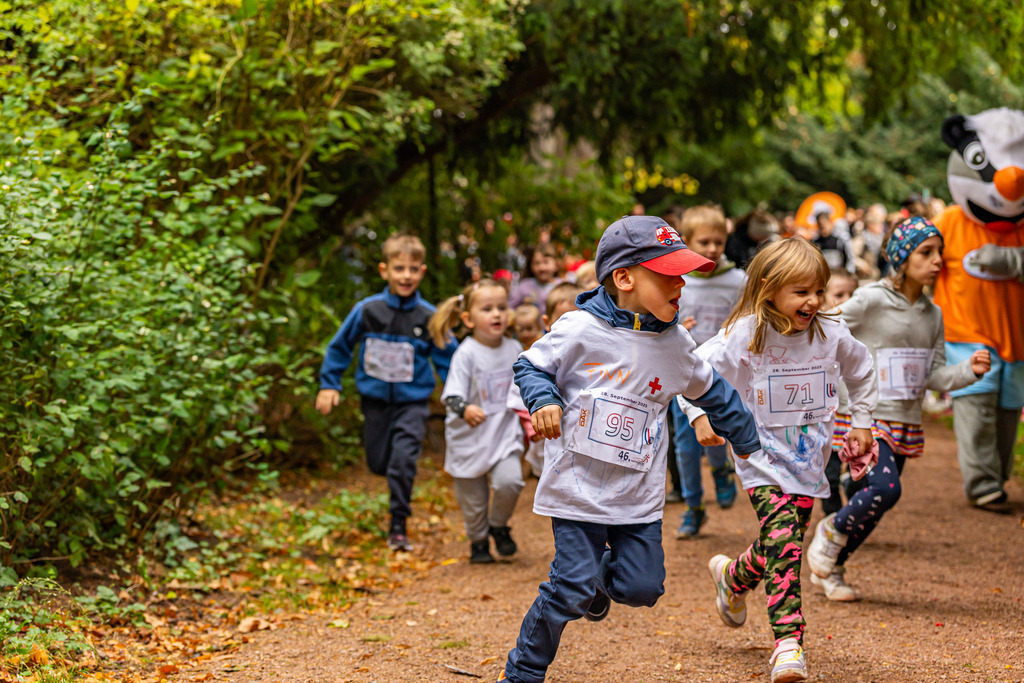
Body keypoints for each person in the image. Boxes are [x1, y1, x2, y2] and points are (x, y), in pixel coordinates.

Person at [497, 215, 760, 683]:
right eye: (668, 274)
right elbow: (530, 366)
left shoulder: (677, 343)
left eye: (683, 274)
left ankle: (599, 575)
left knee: (642, 588)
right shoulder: (578, 329)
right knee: (568, 588)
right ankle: (522, 672)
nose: (681, 284)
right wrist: (545, 401)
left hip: (636, 498)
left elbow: (713, 392)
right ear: (624, 278)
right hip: (578, 490)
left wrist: (749, 442)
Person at [677, 238, 876, 683]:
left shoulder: (830, 331)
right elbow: (692, 371)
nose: (814, 301)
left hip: (808, 461)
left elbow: (862, 369)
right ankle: (789, 645)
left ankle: (733, 577)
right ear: (770, 289)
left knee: (778, 543)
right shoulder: (745, 334)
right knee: (785, 537)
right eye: (802, 291)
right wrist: (698, 415)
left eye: (819, 291)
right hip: (758, 456)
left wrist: (862, 421)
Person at [807, 217, 990, 601]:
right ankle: (829, 531)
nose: (938, 260)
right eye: (927, 252)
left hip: (905, 420)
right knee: (886, 489)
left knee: (874, 504)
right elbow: (827, 328)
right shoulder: (872, 299)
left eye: (940, 252)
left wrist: (967, 372)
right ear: (901, 258)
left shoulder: (933, 314)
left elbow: (934, 375)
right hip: (865, 418)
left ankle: (832, 569)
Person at [316, 234, 457, 551]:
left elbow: (450, 359)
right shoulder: (367, 311)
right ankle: (393, 494)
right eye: (398, 268)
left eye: (412, 269)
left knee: (402, 461)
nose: (405, 275)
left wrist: (458, 395)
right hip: (375, 402)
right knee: (379, 463)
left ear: (421, 272)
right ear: (384, 271)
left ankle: (398, 525)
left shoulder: (428, 316)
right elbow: (340, 347)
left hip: (413, 403)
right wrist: (329, 384)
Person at [430, 280, 526, 564]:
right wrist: (466, 409)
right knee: (473, 502)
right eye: (487, 309)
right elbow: (452, 395)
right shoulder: (466, 352)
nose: (496, 314)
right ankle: (479, 541)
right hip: (469, 439)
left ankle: (498, 525)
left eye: (501, 307)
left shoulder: (514, 347)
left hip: (503, 434)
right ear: (469, 319)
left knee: (511, 481)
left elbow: (524, 384)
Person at [669, 205, 747, 537]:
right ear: (687, 241)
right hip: (681, 372)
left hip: (720, 375)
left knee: (716, 433)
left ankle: (721, 471)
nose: (713, 248)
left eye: (718, 241)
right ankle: (694, 507)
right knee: (686, 446)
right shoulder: (676, 279)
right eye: (704, 242)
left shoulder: (737, 280)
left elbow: (747, 317)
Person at [509, 282, 585, 479]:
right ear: (546, 322)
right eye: (563, 320)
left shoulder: (591, 355)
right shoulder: (539, 356)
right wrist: (530, 426)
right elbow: (520, 393)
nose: (572, 329)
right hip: (545, 435)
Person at [820, 269, 860, 517]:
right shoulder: (817, 332)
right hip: (828, 417)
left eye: (853, 294)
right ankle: (832, 518)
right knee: (829, 472)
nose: (847, 300)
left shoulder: (863, 331)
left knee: (859, 473)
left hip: (854, 416)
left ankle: (852, 516)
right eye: (839, 294)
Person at [508, 243, 563, 310]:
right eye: (537, 263)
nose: (542, 267)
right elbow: (510, 308)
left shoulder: (562, 286)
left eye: (546, 262)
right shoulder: (524, 286)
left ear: (556, 265)